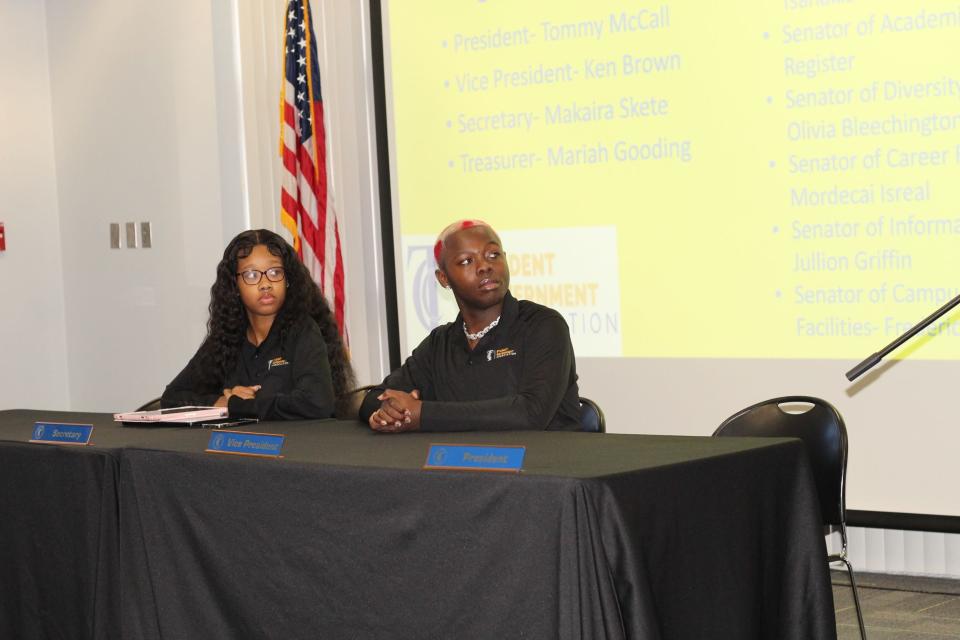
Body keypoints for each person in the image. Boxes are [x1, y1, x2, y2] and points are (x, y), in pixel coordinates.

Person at [359, 220, 580, 433]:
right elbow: (376, 396)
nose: (485, 266)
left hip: (545, 465)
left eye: (493, 255)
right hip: (468, 466)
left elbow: (530, 413)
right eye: (467, 261)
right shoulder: (440, 343)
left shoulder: (543, 325)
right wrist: (388, 411)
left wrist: (424, 414)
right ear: (443, 279)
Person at [162, 229, 354, 420]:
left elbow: (317, 404)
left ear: (288, 280)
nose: (265, 284)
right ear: (234, 285)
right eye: (251, 275)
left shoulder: (303, 330)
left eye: (275, 272)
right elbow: (172, 398)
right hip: (238, 445)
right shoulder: (227, 337)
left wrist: (241, 405)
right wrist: (222, 402)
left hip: (292, 446)